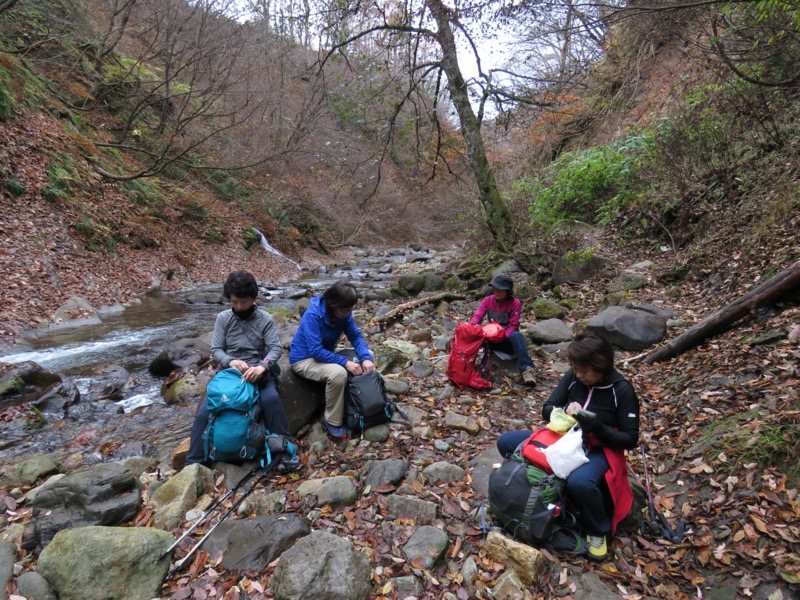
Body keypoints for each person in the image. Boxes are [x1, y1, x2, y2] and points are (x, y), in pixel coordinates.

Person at [495, 331, 640, 561]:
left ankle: (597, 531)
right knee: (507, 443)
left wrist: (598, 427)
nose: (579, 375)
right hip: (564, 437)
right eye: (575, 368)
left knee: (580, 482)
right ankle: (528, 487)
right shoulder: (573, 377)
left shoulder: (621, 390)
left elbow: (630, 439)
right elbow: (548, 407)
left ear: (601, 365)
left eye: (585, 371)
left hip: (598, 447)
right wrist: (563, 413)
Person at [185, 270, 292, 467]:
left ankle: (282, 450)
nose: (238, 307)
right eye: (234, 302)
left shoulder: (266, 319)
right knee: (204, 412)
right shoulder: (223, 318)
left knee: (271, 400)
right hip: (228, 374)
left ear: (253, 298)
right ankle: (194, 463)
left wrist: (262, 367)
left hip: (257, 372)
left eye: (243, 302)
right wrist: (230, 361)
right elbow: (216, 349)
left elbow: (275, 348)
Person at [289, 281, 376, 438]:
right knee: (338, 373)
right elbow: (315, 351)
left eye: (350, 309)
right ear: (333, 303)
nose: (348, 313)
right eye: (345, 309)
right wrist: (345, 362)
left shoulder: (343, 313)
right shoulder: (313, 315)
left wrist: (365, 358)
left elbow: (355, 336)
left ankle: (361, 401)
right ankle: (332, 420)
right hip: (304, 358)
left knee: (368, 354)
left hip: (327, 351)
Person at [470, 273, 536, 386]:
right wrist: (471, 326)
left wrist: (502, 336)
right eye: (495, 288)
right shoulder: (487, 300)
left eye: (500, 289)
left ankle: (527, 370)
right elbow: (478, 316)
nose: (497, 291)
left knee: (516, 335)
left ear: (508, 291)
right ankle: (468, 367)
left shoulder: (515, 303)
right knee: (474, 334)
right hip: (491, 338)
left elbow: (513, 325)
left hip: (506, 340)